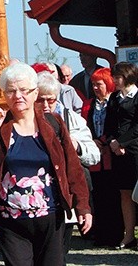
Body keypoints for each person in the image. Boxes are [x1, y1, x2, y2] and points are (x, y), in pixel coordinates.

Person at [0, 62, 92, 265]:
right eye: (11, 90)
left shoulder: (53, 124)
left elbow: (72, 167)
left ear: (35, 93)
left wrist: (83, 207)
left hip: (51, 217)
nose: (18, 96)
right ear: (5, 94)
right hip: (10, 222)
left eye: (24, 90)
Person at [35, 71, 99, 259]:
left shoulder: (71, 119)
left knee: (58, 255)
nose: (46, 106)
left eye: (51, 100)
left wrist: (76, 145)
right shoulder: (24, 121)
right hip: (35, 197)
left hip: (64, 196)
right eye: (40, 100)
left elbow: (94, 155)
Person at [85, 67, 123, 247]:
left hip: (112, 154)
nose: (95, 88)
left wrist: (105, 139)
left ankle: (114, 234)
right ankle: (100, 234)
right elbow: (87, 125)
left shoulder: (115, 102)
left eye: (98, 84)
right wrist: (93, 139)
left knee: (113, 196)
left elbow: (117, 125)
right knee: (98, 194)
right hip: (96, 155)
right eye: (92, 84)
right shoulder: (90, 104)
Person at [104, 62, 138, 250]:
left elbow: (136, 126)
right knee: (124, 193)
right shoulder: (114, 98)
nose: (115, 80)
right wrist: (113, 142)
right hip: (118, 151)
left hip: (135, 149)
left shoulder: (137, 96)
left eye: (118, 77)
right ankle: (129, 234)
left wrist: (123, 142)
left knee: (137, 192)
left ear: (127, 77)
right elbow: (109, 124)